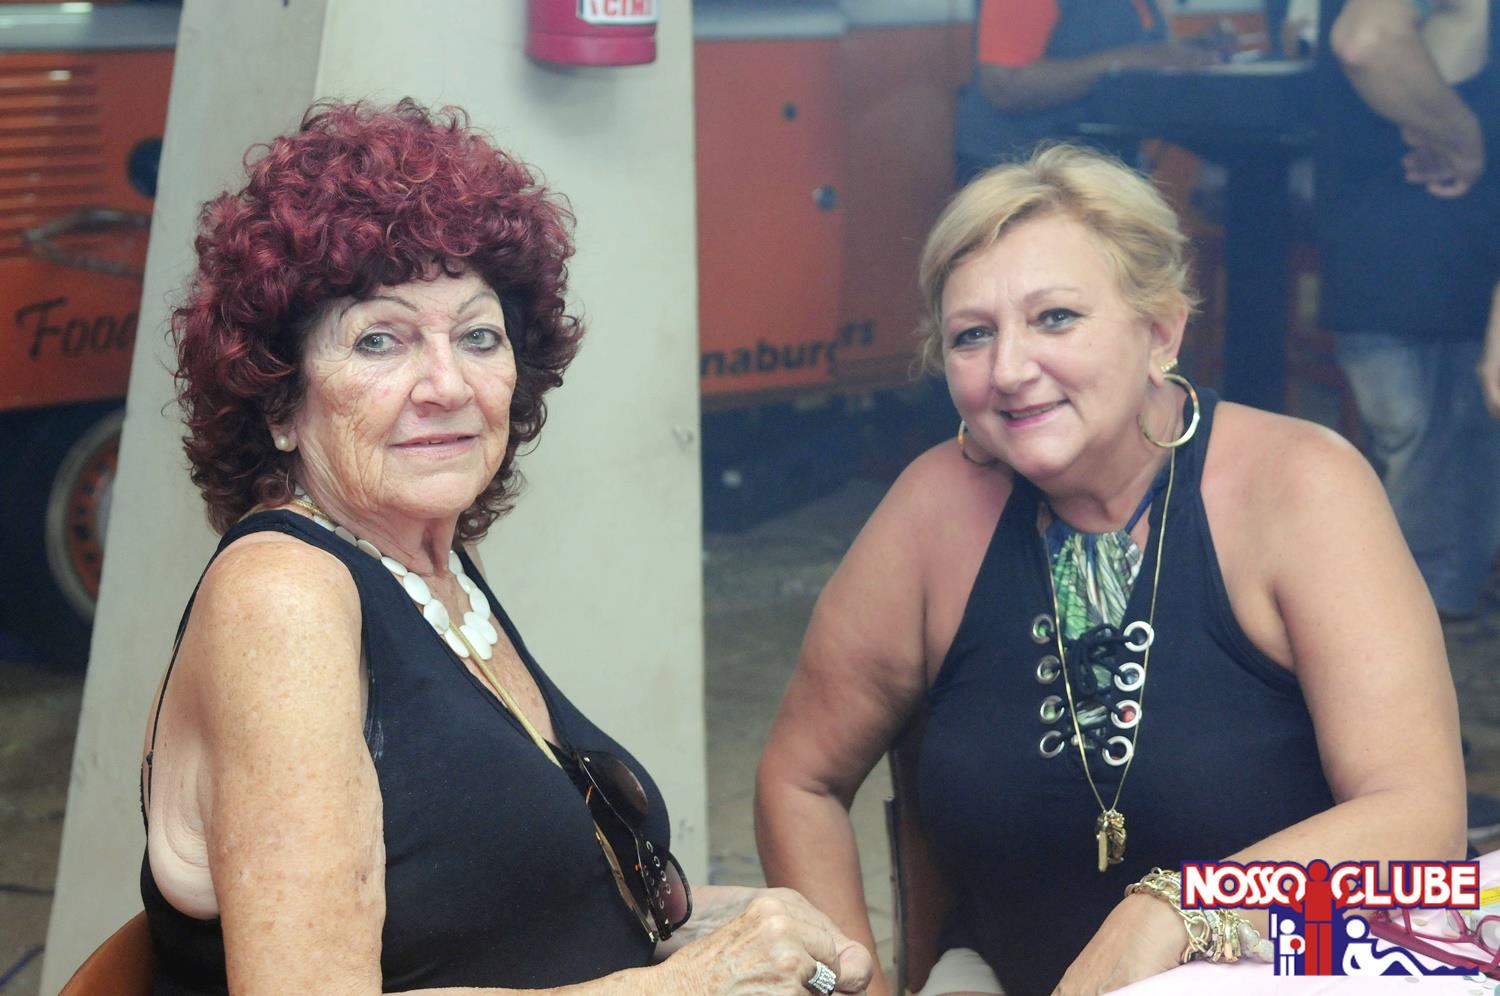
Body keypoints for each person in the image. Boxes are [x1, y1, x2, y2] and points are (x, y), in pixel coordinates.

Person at [141, 99, 873, 995]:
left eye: (477, 337)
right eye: (381, 340)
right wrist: (694, 984)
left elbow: (514, 910)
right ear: (280, 403)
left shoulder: (430, 568)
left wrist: (750, 930)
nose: (447, 385)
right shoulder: (282, 599)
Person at [754, 143, 1465, 996]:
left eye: (1056, 318)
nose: (1011, 370)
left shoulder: (1301, 489)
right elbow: (801, 780)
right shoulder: (932, 513)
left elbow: (1420, 818)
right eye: (973, 336)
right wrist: (850, 987)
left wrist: (1177, 908)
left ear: (1160, 330)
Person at [1317, 0, 1500, 622]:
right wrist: (1465, 136)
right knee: (1421, 453)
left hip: (1460, 262)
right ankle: (1408, 629)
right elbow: (1367, 39)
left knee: (1462, 453)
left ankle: (1440, 622)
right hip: (1391, 258)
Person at [954, 0, 1216, 182]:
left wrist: (1190, 51)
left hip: (1108, 169)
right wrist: (1125, 61)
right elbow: (1004, 87)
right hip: (1024, 176)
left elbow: (1128, 49)